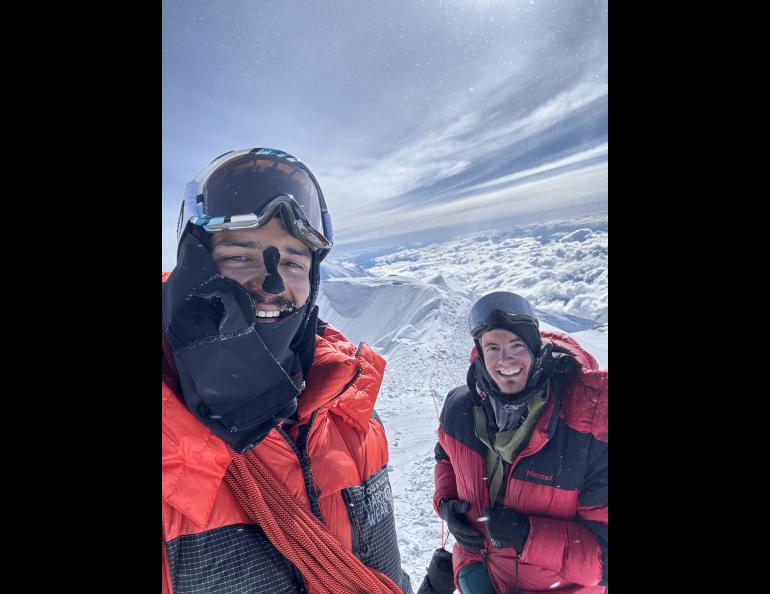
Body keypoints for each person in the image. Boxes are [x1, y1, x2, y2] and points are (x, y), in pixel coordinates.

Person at [162, 148, 413, 594]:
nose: (274, 283)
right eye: (240, 256)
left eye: (293, 263)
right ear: (193, 265)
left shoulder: (350, 412)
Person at [431, 291, 607, 594]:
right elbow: (446, 456)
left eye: (517, 346)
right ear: (481, 354)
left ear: (536, 350)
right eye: (493, 347)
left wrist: (528, 536)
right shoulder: (461, 409)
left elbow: (603, 561)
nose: (505, 359)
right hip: (479, 572)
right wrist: (446, 503)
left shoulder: (585, 430)